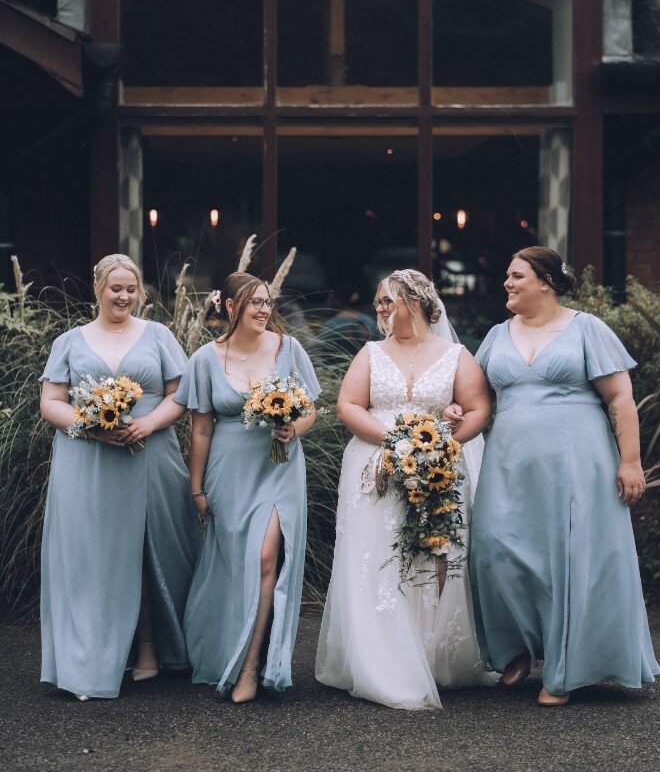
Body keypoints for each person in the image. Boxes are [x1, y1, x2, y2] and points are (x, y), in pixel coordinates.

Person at [470, 246, 660, 706]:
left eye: (516, 276)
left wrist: (630, 461)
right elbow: (476, 398)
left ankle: (564, 670)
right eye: (507, 276)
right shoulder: (497, 335)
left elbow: (619, 398)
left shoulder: (585, 329)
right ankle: (514, 648)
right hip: (509, 463)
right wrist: (458, 410)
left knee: (569, 557)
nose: (507, 284)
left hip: (578, 459)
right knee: (493, 548)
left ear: (546, 282)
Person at [315, 269, 497, 710]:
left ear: (414, 303)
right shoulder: (371, 353)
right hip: (377, 464)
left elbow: (478, 408)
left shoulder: (456, 354)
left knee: (435, 553)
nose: (379, 309)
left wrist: (444, 447)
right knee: (376, 554)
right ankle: (381, 659)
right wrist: (394, 443)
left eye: (386, 301)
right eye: (378, 301)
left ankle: (435, 657)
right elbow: (348, 405)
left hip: (437, 466)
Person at [39, 253, 199, 701]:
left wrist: (148, 423)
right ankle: (88, 662)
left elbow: (180, 394)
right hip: (86, 459)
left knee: (148, 551)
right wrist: (87, 424)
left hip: (149, 454)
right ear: (97, 289)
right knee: (92, 556)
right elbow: (50, 401)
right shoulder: (70, 341)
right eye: (116, 289)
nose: (124, 296)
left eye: (131, 289)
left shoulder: (158, 335)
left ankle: (151, 649)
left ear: (140, 292)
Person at [174, 272, 320, 703]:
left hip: (278, 467)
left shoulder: (288, 349)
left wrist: (294, 428)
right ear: (231, 307)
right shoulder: (204, 358)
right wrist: (197, 488)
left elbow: (311, 408)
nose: (263, 309)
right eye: (254, 302)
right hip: (227, 470)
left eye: (268, 302)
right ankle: (224, 651)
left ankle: (253, 667)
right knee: (232, 564)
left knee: (264, 558)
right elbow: (201, 429)